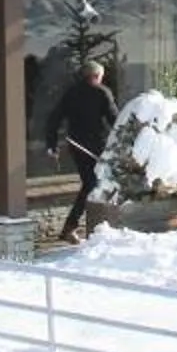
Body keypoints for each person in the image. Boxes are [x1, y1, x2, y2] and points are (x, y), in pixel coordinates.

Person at [44, 59, 117, 243]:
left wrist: (51, 144)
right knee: (94, 184)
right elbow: (116, 121)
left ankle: (77, 227)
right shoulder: (102, 92)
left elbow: (54, 118)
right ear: (95, 76)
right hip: (96, 148)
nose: (102, 79)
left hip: (77, 147)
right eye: (101, 76)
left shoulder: (71, 93)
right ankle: (78, 226)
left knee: (91, 184)